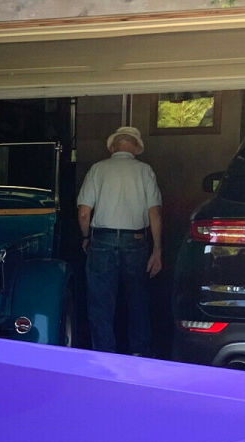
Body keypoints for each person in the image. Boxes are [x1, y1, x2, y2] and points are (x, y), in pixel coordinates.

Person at [76, 125, 163, 355]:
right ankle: (139, 353)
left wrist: (86, 237)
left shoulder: (98, 169)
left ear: (114, 146)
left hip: (102, 240)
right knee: (138, 300)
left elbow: (84, 212)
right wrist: (157, 251)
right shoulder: (145, 171)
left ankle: (104, 354)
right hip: (136, 240)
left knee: (100, 303)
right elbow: (154, 213)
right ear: (135, 147)